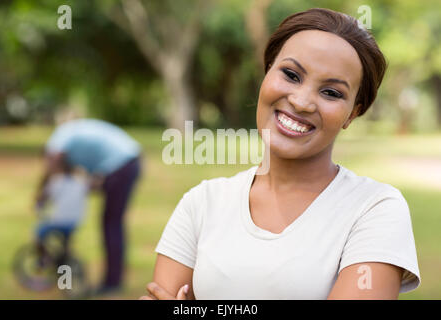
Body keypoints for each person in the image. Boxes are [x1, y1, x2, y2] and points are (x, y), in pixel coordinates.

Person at [140, 8, 421, 300]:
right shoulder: (202, 204)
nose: (301, 102)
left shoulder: (375, 210)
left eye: (331, 93)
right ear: (267, 72)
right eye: (291, 75)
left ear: (353, 113)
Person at [36, 118, 142, 295]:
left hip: (123, 163)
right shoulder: (68, 137)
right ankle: (111, 279)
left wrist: (42, 194)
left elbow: (53, 171)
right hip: (127, 160)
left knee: (111, 224)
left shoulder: (57, 141)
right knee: (111, 223)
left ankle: (112, 282)